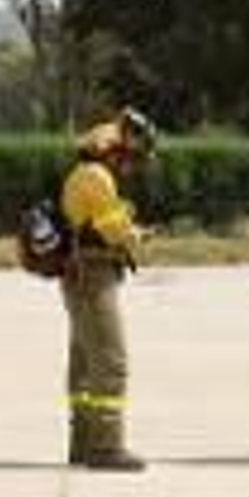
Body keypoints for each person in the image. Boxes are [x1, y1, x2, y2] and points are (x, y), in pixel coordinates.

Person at [60, 108, 158, 471]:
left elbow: (103, 222)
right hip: (94, 276)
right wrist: (137, 235)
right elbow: (114, 230)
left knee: (85, 363)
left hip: (83, 274)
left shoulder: (86, 173)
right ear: (118, 150)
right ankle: (106, 447)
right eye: (135, 157)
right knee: (111, 360)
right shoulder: (97, 176)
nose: (134, 166)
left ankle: (83, 442)